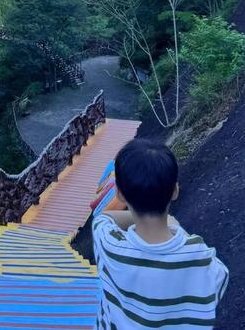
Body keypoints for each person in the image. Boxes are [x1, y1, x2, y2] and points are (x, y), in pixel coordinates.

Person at [92, 138, 228, 330]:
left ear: (120, 195)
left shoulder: (109, 244)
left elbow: (104, 218)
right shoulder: (199, 257)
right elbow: (220, 278)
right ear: (174, 191)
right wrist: (176, 227)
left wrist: (139, 214)